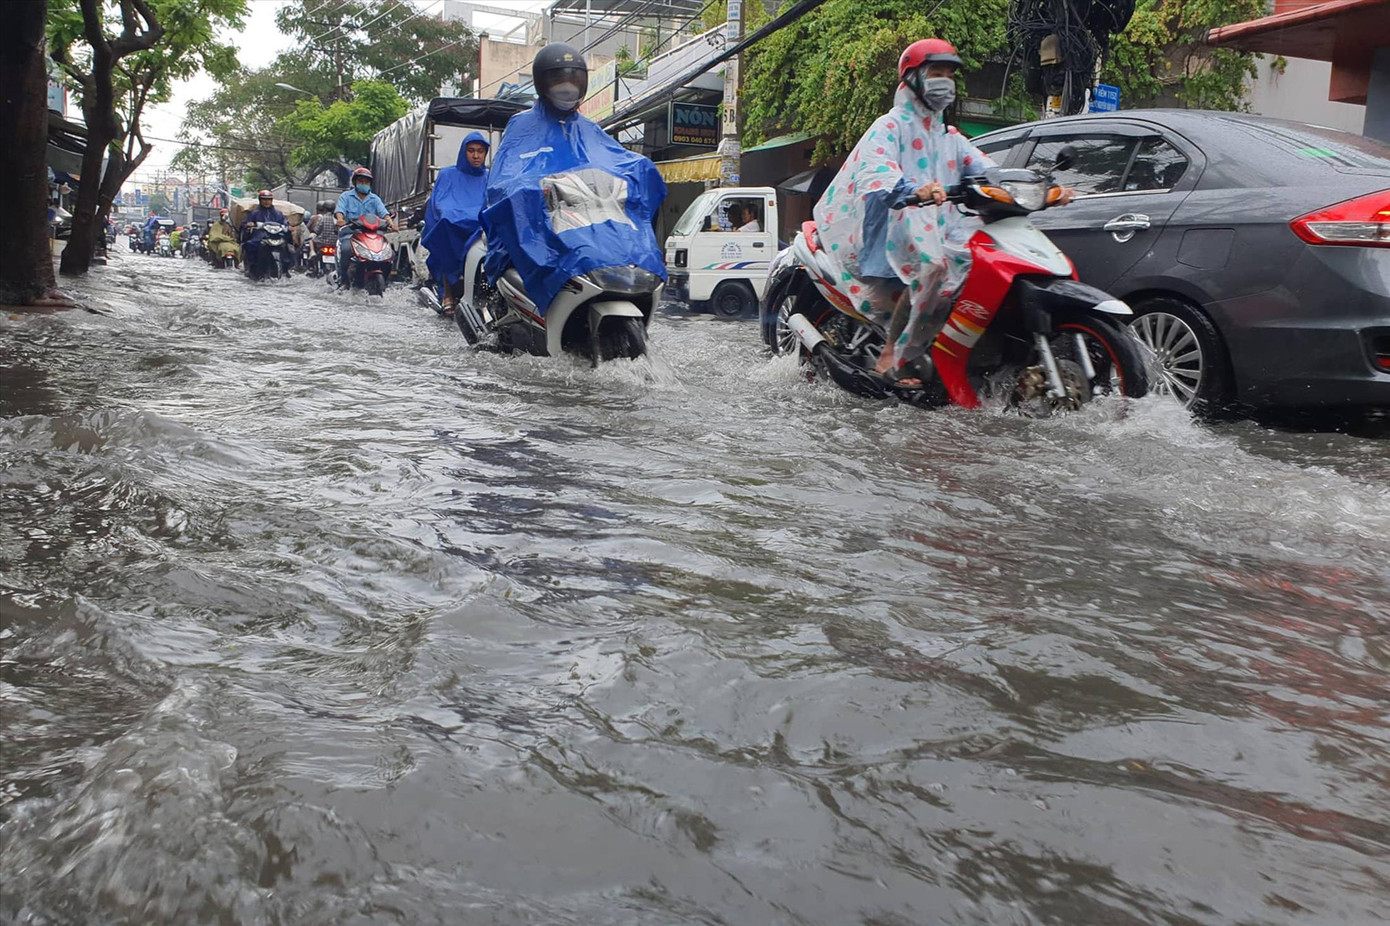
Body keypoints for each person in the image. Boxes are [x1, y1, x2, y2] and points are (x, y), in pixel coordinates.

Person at [812, 39, 1075, 386]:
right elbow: (876, 170)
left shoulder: (951, 137)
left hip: (942, 226)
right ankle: (896, 353)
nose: (945, 82)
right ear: (914, 78)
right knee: (933, 265)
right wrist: (911, 189)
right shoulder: (889, 126)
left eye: (950, 75)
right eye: (936, 73)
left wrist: (1046, 191)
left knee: (976, 259)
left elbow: (989, 171)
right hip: (897, 224)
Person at [481, 43, 666, 311]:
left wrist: (642, 171)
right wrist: (525, 188)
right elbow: (505, 176)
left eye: (573, 79)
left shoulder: (590, 129)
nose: (566, 88)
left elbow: (616, 161)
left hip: (592, 225)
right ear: (541, 82)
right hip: (545, 223)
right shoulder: (521, 124)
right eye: (558, 80)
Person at [422, 131, 489, 310]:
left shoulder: (489, 177)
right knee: (444, 229)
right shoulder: (447, 174)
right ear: (463, 152)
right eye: (471, 150)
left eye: (480, 151)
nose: (476, 155)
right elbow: (440, 201)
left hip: (479, 225)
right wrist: (451, 214)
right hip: (453, 224)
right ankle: (448, 294)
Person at [334, 167, 396, 288]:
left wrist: (391, 223)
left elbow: (384, 213)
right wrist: (340, 219)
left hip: (372, 234)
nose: (364, 184)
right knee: (346, 250)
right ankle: (344, 281)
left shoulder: (375, 199)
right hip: (350, 232)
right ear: (355, 182)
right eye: (361, 181)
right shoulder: (346, 197)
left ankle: (386, 281)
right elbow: (340, 210)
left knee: (390, 254)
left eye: (366, 182)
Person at [239, 190, 287, 273]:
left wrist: (288, 227)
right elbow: (245, 223)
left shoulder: (279, 214)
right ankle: (251, 267)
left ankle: (286, 269)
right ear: (260, 200)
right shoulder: (254, 213)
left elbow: (285, 223)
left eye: (268, 199)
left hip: (277, 237)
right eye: (264, 199)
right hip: (259, 237)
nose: (266, 201)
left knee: (290, 249)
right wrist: (248, 224)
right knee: (249, 245)